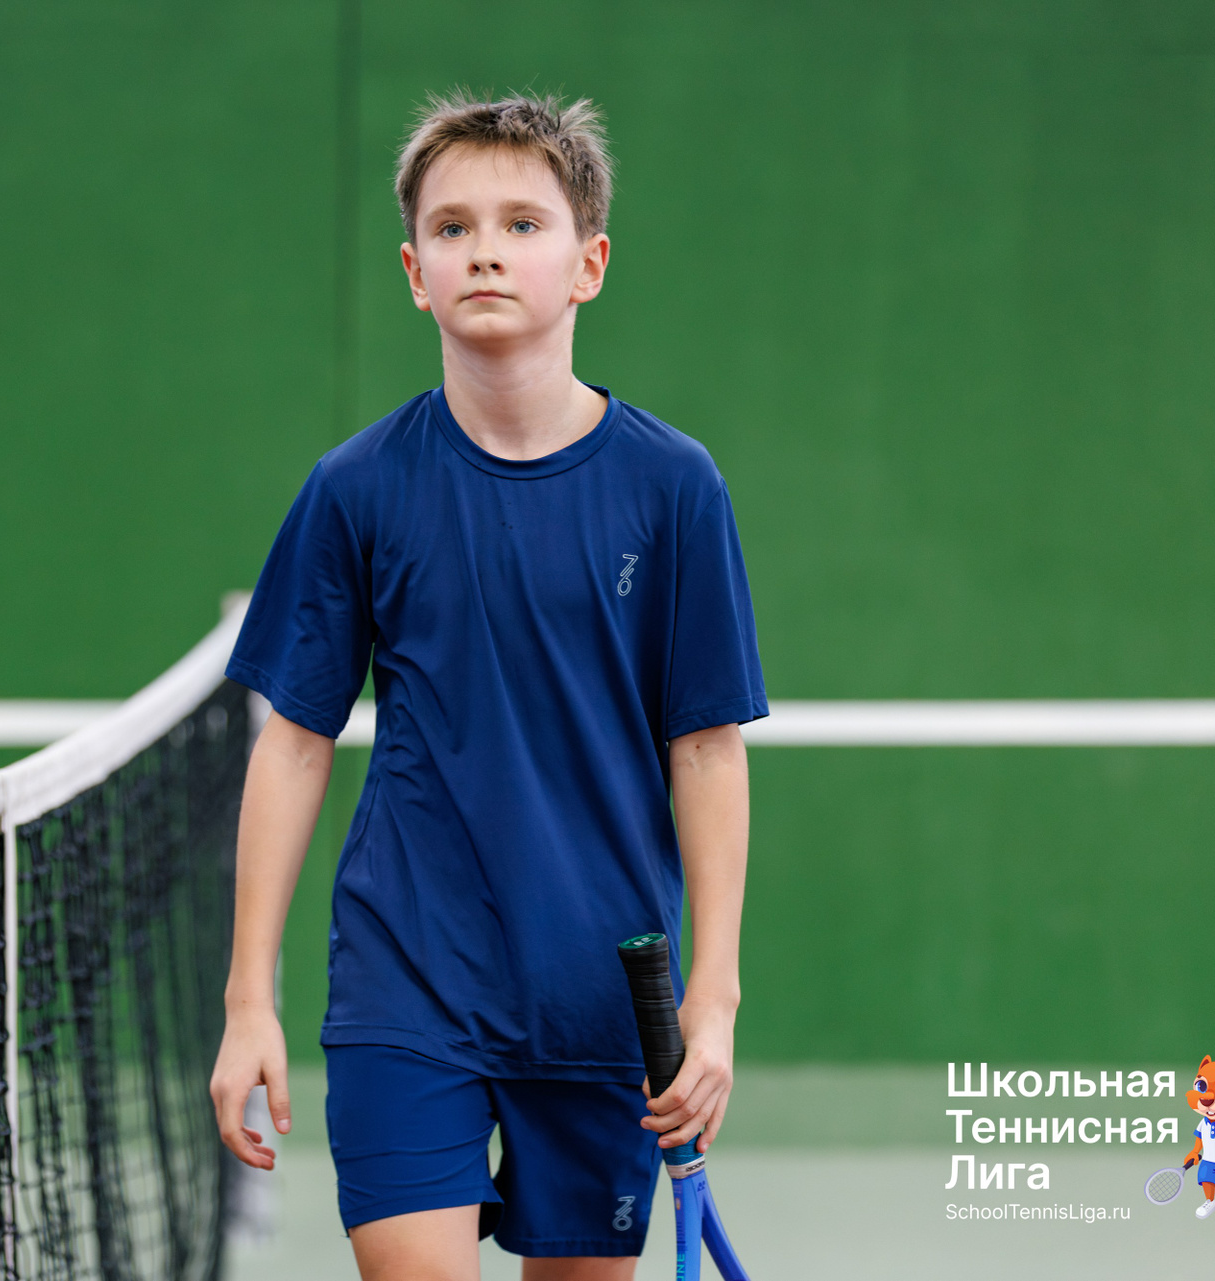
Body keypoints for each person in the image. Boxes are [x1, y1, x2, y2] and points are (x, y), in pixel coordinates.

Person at [209, 94, 766, 1281]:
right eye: (453, 228)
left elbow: (709, 749)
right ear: (416, 273)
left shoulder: (675, 488)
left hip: (606, 997)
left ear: (589, 265)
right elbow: (294, 742)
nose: (487, 251)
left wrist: (711, 1002)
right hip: (406, 983)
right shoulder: (356, 487)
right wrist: (248, 997)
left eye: (523, 223)